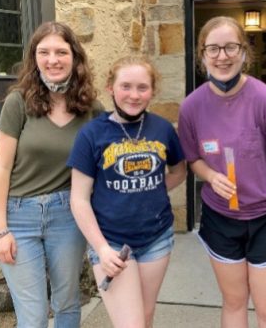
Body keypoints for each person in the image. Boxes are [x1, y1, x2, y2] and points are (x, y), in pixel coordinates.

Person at [178, 16, 266, 328]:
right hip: (221, 218)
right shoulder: (191, 107)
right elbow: (193, 159)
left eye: (230, 47)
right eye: (213, 49)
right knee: (234, 303)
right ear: (202, 54)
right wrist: (210, 177)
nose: (222, 56)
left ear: (244, 53)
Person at [0, 21, 103, 328]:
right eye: (44, 52)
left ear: (74, 57)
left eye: (61, 52)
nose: (53, 59)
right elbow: (1, 167)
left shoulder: (91, 108)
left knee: (67, 303)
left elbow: (115, 151)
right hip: (19, 216)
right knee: (34, 315)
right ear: (34, 58)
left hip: (68, 215)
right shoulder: (18, 102)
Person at [67, 55, 186, 328]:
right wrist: (101, 248)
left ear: (152, 91)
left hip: (157, 238)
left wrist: (150, 190)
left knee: (145, 316)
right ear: (111, 88)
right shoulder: (91, 134)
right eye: (126, 86)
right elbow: (79, 199)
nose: (134, 95)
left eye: (142, 88)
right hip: (111, 243)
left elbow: (179, 171)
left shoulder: (163, 129)